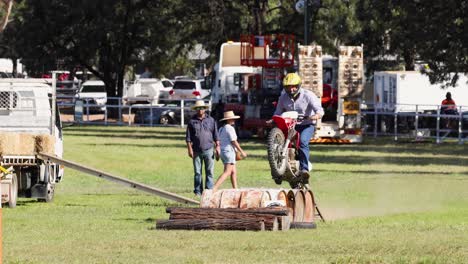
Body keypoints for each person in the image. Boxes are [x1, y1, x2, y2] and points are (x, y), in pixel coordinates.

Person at [273, 72, 324, 182]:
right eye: (288, 87)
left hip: (306, 125)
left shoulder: (308, 95)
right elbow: (277, 112)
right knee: (278, 143)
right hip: (290, 126)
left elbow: (320, 110)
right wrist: (273, 119)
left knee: (303, 142)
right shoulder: (282, 98)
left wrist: (315, 116)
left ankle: (304, 170)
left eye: (293, 87)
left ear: (299, 85)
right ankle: (277, 170)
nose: (291, 90)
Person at [186, 100, 220, 197]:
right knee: (197, 172)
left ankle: (208, 191)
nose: (200, 110)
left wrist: (218, 146)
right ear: (196, 110)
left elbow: (216, 135)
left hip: (209, 150)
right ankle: (198, 191)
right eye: (198, 108)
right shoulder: (192, 121)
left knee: (210, 172)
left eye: (201, 108)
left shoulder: (211, 120)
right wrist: (189, 149)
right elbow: (188, 138)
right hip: (196, 150)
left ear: (204, 109)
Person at [213, 111, 247, 191]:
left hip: (223, 152)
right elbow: (233, 141)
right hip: (229, 152)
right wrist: (241, 151)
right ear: (228, 120)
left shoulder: (221, 129)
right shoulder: (230, 128)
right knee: (227, 172)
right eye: (232, 119)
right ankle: (214, 188)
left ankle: (235, 189)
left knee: (233, 171)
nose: (233, 120)